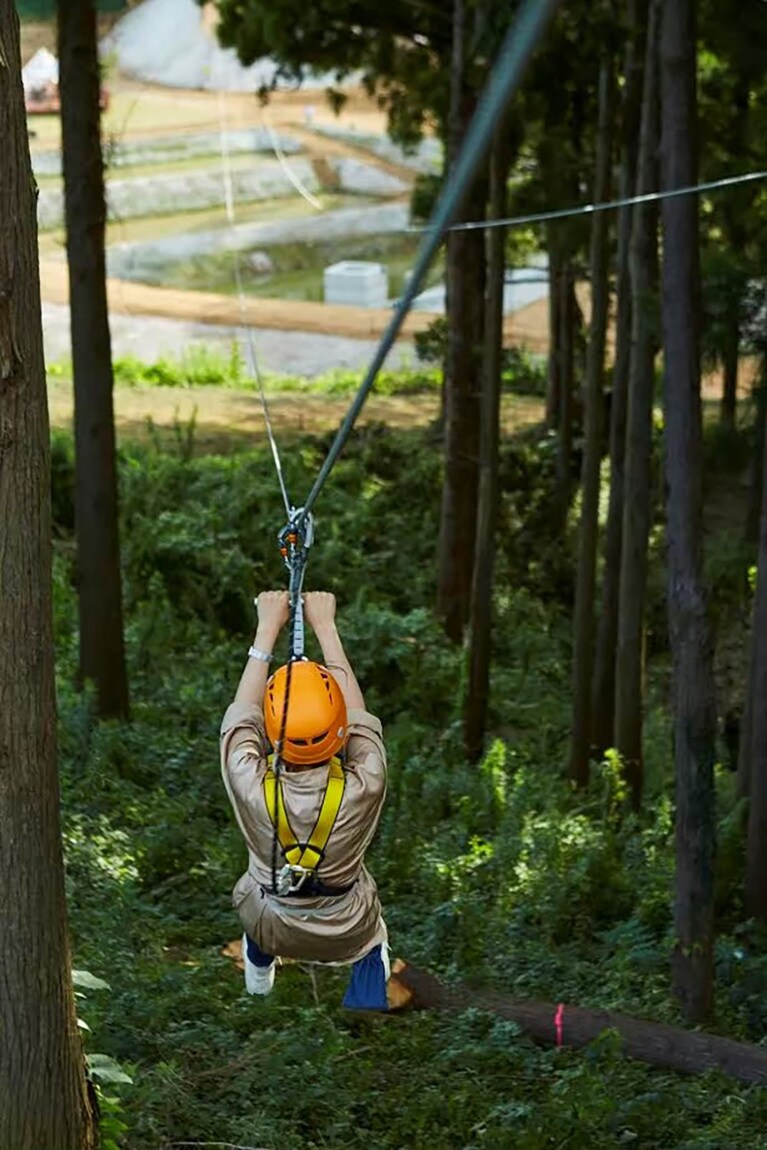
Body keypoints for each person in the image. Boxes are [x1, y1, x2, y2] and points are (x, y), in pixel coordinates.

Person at [220, 589, 390, 1009]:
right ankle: (368, 979)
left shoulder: (248, 781)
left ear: (271, 731)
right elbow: (359, 722)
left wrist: (266, 629)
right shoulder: (366, 781)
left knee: (257, 905)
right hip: (347, 927)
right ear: (339, 729)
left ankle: (259, 962)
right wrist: (325, 627)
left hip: (271, 921)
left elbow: (241, 714)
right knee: (372, 935)